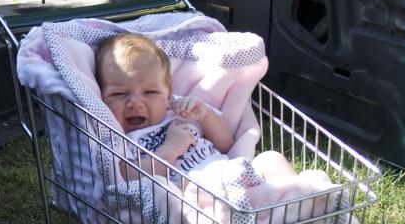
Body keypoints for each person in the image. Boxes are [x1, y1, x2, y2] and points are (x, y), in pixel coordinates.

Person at [94, 32, 297, 182]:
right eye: (119, 94)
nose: (135, 103)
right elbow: (124, 177)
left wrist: (205, 115)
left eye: (150, 92)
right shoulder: (119, 139)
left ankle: (299, 203)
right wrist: (169, 150)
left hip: (231, 175)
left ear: (168, 96)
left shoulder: (179, 112)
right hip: (195, 196)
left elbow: (226, 144)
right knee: (185, 191)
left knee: (272, 160)